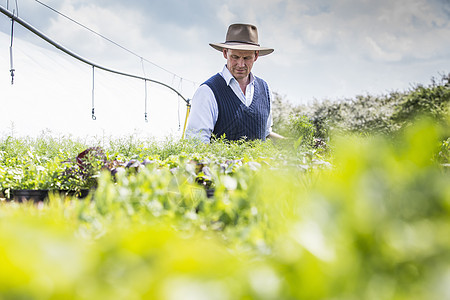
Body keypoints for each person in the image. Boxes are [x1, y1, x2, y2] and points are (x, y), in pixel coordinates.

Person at [185, 23, 284, 143]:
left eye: (247, 58)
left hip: (258, 162)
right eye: (235, 57)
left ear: (256, 56)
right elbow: (196, 142)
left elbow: (266, 132)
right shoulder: (208, 91)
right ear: (225, 53)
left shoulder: (264, 89)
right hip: (219, 162)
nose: (241, 64)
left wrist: (292, 143)